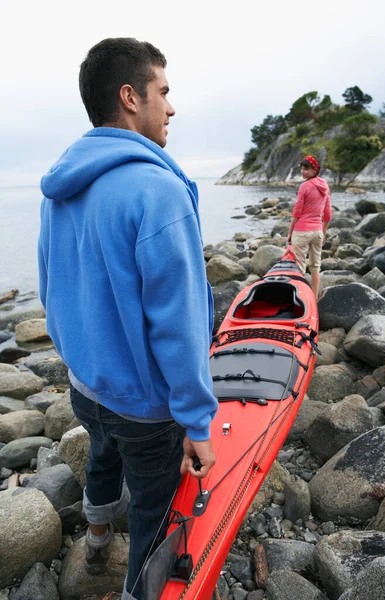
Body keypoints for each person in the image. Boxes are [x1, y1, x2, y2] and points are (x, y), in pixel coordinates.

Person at [38, 37, 218, 600]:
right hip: (142, 406)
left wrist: (78, 360)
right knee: (153, 515)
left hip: (86, 385)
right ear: (129, 97)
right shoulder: (158, 191)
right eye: (162, 92)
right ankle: (137, 589)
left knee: (100, 455)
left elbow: (50, 287)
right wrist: (195, 422)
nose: (171, 107)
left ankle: (93, 540)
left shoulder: (58, 187)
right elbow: (179, 322)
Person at [287, 155, 332, 297]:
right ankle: (314, 297)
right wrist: (323, 232)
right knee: (315, 267)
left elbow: (297, 211)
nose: (303, 171)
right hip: (317, 232)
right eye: (302, 168)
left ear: (314, 170)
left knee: (299, 269)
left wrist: (290, 232)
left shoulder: (304, 186)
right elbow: (328, 213)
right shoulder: (324, 185)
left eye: (306, 169)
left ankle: (300, 298)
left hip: (302, 232)